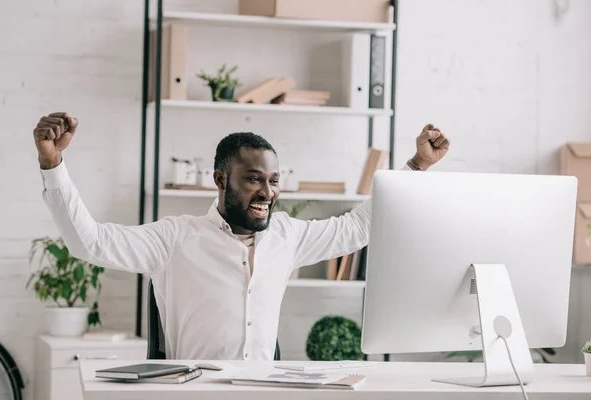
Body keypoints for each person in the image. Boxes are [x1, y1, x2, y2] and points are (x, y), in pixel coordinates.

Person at [33, 112, 450, 360]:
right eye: (253, 179)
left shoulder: (288, 236)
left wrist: (417, 165)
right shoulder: (175, 239)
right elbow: (89, 242)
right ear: (220, 179)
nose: (267, 193)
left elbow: (358, 227)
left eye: (273, 180)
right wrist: (52, 162)